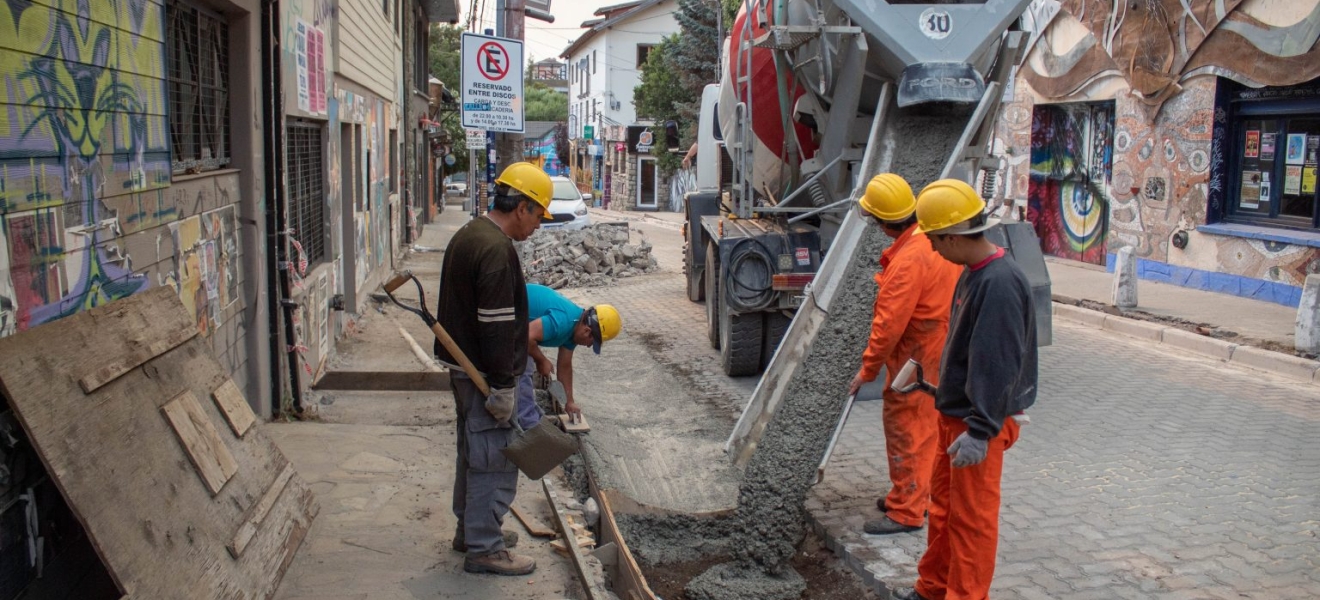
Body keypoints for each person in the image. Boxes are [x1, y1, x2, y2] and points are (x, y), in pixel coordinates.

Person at [893, 179, 1038, 600]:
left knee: (972, 523)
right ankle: (933, 588)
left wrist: (980, 429)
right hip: (956, 418)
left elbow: (999, 362)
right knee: (944, 513)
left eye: (936, 240)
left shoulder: (1000, 283)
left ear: (953, 237)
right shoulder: (973, 273)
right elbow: (970, 351)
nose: (933, 249)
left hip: (977, 428)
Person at [434, 161, 552, 576]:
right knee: (493, 458)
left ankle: (472, 531)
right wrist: (504, 386)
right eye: (538, 215)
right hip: (484, 374)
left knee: (472, 451)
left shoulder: (469, 235)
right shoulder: (497, 251)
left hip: (463, 367)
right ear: (521, 207)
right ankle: (485, 547)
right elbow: (498, 327)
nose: (538, 225)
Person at [847, 174, 962, 536]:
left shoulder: (907, 260)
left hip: (916, 354)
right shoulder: (930, 239)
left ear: (882, 222)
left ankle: (906, 512)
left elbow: (888, 326)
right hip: (939, 344)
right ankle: (917, 495)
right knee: (926, 427)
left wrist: (867, 370)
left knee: (906, 427)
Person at [515, 284, 622, 429]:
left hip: (516, 325)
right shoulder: (563, 321)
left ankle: (529, 415)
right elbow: (526, 338)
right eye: (592, 342)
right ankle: (529, 426)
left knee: (525, 360)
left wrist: (569, 401)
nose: (589, 346)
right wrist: (541, 360)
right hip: (501, 314)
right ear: (587, 331)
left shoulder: (574, 330)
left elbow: (564, 366)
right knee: (523, 366)